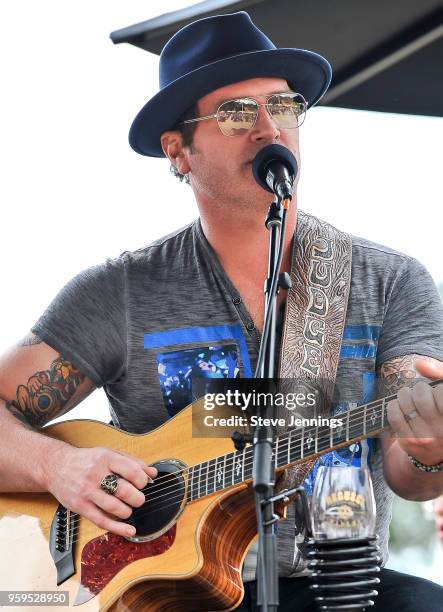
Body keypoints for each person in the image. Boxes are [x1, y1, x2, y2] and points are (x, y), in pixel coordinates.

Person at [1, 10, 443, 611]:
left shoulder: (391, 280)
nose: (269, 128)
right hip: (164, 594)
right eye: (235, 112)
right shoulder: (119, 292)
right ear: (177, 150)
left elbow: (409, 473)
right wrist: (60, 468)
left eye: (283, 106)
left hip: (343, 586)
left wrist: (429, 444)